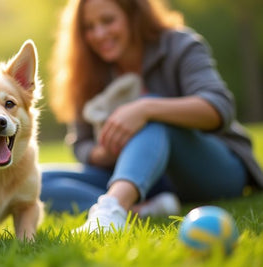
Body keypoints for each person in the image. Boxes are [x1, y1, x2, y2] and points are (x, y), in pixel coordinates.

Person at [42, 0, 263, 233]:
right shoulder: (87, 70)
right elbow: (81, 143)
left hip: (213, 171)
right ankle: (143, 210)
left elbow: (219, 107)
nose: (99, 34)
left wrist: (146, 108)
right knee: (36, 181)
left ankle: (111, 210)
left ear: (133, 15)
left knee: (150, 113)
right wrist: (104, 152)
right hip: (148, 182)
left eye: (108, 21)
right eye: (89, 27)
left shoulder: (180, 44)